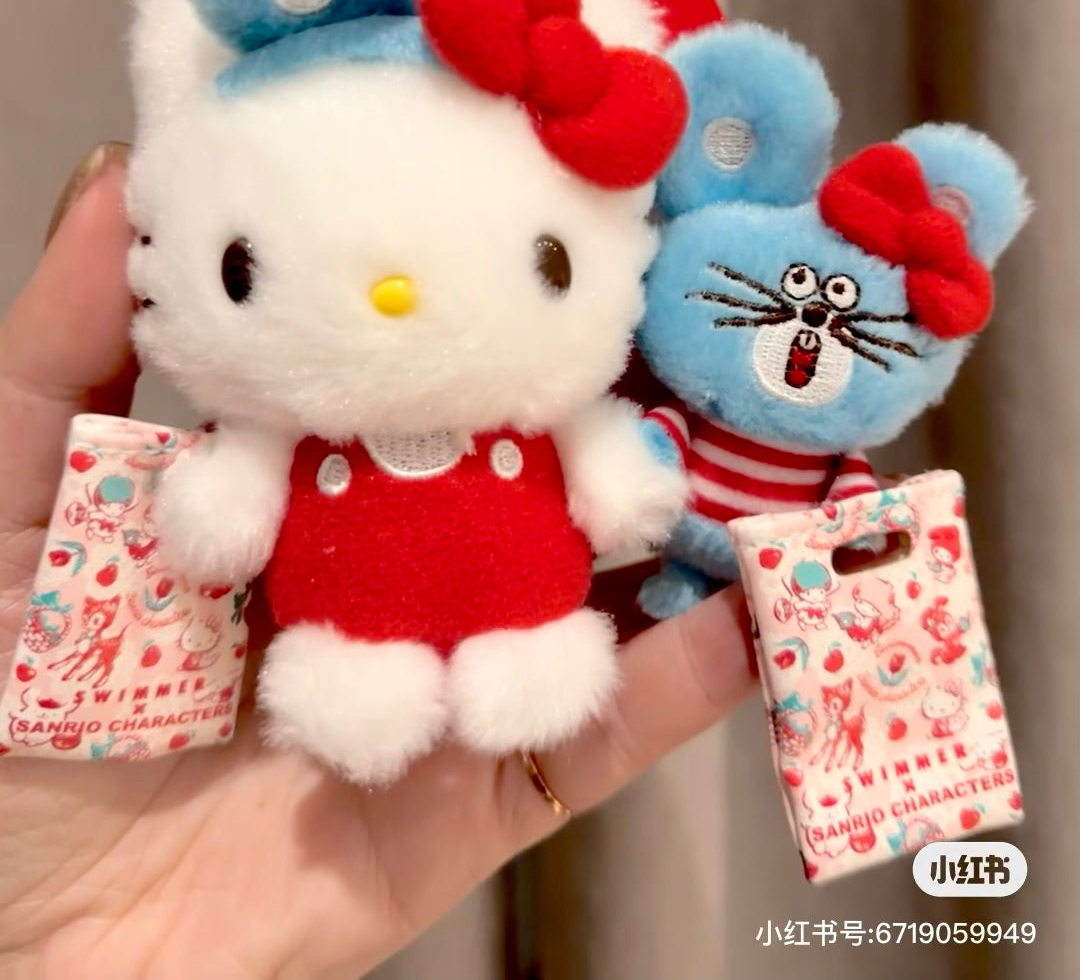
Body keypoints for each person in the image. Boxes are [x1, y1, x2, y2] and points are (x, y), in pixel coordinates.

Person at [0, 144, 755, 979]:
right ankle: (357, 686)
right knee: (354, 692)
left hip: (528, 608)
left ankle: (527, 659)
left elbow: (612, 467)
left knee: (543, 669)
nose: (398, 290)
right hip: (345, 627)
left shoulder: (534, 394)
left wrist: (627, 484)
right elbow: (229, 503)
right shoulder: (292, 412)